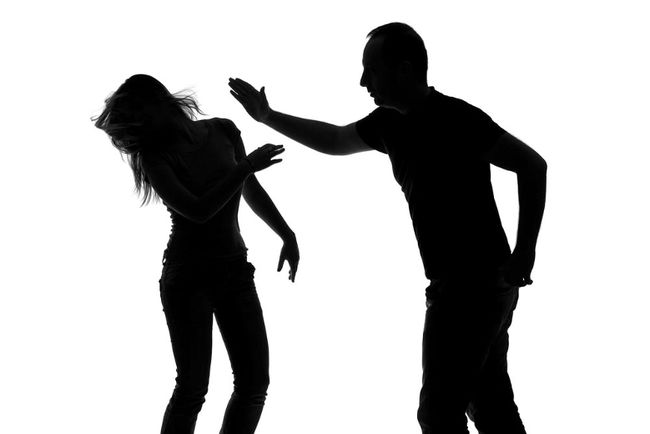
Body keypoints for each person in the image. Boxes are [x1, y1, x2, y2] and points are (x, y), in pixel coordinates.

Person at [228, 22, 546, 434]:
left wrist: (525, 252)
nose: (363, 82)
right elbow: (335, 140)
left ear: (405, 69)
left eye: (372, 70)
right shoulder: (386, 124)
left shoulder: (458, 118)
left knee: (439, 414)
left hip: (474, 286)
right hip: (466, 285)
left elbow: (532, 165)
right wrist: (268, 116)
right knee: (490, 404)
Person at [94, 74, 299, 434]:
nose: (143, 126)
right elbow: (198, 211)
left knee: (254, 384)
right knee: (192, 389)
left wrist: (286, 233)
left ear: (160, 102)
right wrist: (244, 167)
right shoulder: (154, 157)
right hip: (187, 277)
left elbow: (249, 189)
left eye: (142, 115)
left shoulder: (223, 130)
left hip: (234, 270)